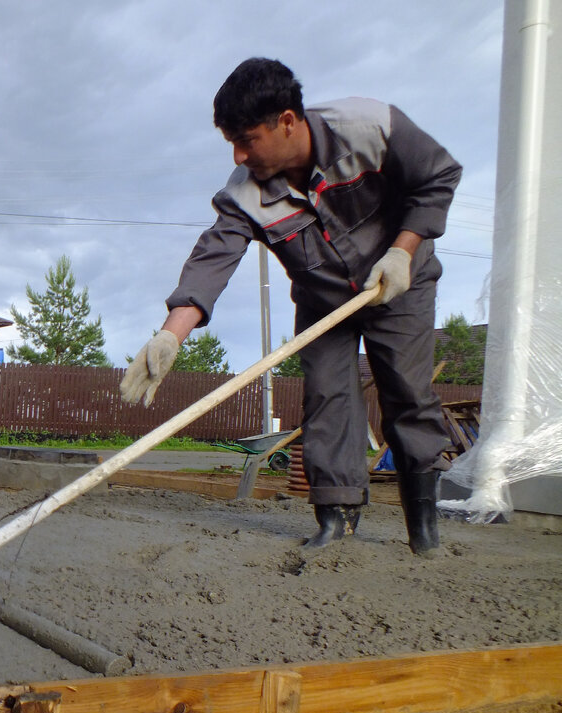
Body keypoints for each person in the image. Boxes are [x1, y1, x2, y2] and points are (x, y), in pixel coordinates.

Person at [120, 58, 462, 556]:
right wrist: (172, 333)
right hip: (324, 300)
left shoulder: (369, 127)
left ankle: (423, 528)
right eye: (230, 142)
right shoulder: (245, 194)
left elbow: (438, 175)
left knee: (407, 393)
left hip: (396, 282)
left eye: (246, 139)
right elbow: (213, 257)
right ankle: (336, 520)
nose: (238, 154)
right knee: (327, 399)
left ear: (286, 120)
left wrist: (403, 250)